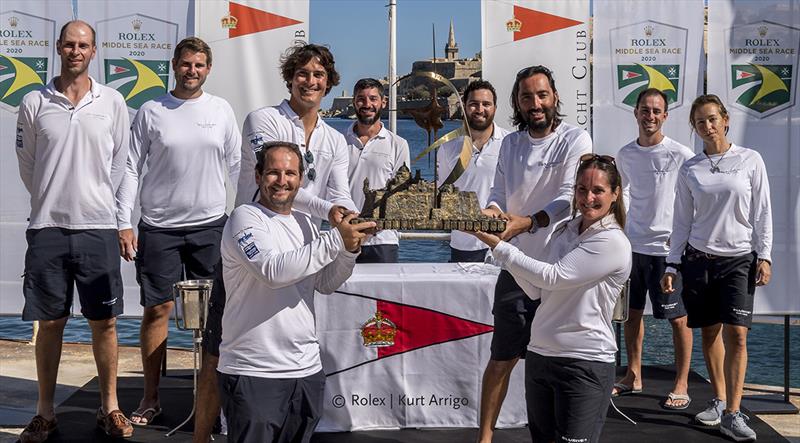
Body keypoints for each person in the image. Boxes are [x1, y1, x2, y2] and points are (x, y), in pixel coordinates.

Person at [194, 43, 354, 442]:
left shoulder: (335, 139)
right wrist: (333, 220)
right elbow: (283, 186)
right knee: (217, 353)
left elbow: (343, 195)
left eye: (318, 75)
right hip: (256, 241)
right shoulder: (262, 120)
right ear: (290, 78)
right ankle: (200, 436)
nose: (310, 81)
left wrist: (353, 224)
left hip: (304, 245)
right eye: (302, 73)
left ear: (329, 83)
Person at [16, 20, 133, 442]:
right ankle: (45, 413)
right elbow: (29, 166)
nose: (76, 51)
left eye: (83, 45)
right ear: (59, 48)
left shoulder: (113, 102)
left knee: (105, 323)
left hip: (97, 227)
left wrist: (105, 208)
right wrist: (54, 197)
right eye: (69, 44)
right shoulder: (34, 101)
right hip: (47, 228)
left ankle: (111, 409)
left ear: (94, 51)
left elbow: (118, 165)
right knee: (51, 324)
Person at [115, 37, 240, 426]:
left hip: (210, 227)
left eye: (200, 65)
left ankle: (211, 403)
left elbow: (237, 166)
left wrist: (247, 220)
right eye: (186, 64)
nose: (192, 71)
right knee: (157, 311)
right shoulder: (151, 110)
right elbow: (131, 167)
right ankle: (150, 398)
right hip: (159, 229)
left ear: (208, 69)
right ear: (174, 64)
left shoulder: (220, 110)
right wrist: (123, 221)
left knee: (213, 317)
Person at [217, 141, 374, 442]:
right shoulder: (244, 218)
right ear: (258, 175)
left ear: (301, 180)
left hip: (305, 370)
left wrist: (349, 251)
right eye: (273, 172)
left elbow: (325, 283)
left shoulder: (306, 223)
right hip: (254, 372)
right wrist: (335, 240)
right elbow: (273, 272)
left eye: (290, 173)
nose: (282, 180)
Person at [473, 154, 631, 443]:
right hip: (541, 357)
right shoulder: (566, 231)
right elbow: (536, 290)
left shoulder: (611, 241)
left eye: (598, 191)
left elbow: (552, 277)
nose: (588, 198)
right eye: (582, 190)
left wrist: (500, 247)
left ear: (615, 194)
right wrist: (503, 251)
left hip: (584, 364)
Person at [476, 66, 592, 443]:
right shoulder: (510, 144)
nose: (536, 104)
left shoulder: (576, 139)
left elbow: (569, 197)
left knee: (557, 363)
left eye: (542, 95)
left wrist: (528, 221)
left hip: (561, 269)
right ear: (518, 103)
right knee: (501, 360)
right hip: (516, 269)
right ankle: (485, 437)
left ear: (555, 96)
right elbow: (497, 193)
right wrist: (491, 214)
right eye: (527, 97)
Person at [661, 95, 772, 442]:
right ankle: (720, 399)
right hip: (698, 261)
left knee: (737, 334)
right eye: (699, 122)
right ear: (694, 128)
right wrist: (672, 263)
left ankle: (733, 414)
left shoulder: (750, 160)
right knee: (709, 333)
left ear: (725, 120)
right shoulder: (690, 168)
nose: (707, 127)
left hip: (739, 260)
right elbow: (681, 221)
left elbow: (762, 212)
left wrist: (764, 255)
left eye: (712, 119)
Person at [613, 88, 695, 409]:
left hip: (667, 252)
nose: (650, 116)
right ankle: (633, 375)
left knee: (678, 319)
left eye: (656, 111)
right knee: (631, 316)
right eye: (645, 110)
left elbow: (692, 202)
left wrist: (682, 244)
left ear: (665, 116)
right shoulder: (625, 154)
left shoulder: (681, 154)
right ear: (635, 113)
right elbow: (623, 197)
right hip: (632, 250)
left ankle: (682, 382)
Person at [437, 80, 510, 263]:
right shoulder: (448, 148)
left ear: (495, 108)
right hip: (463, 244)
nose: (480, 109)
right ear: (464, 107)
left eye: (486, 104)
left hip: (505, 241)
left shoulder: (511, 143)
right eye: (473, 104)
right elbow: (443, 198)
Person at [345, 78, 410, 263]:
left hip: (382, 240)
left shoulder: (398, 145)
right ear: (354, 102)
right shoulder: (338, 142)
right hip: (344, 237)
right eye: (361, 99)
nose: (367, 104)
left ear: (383, 102)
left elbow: (401, 193)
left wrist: (375, 225)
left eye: (373, 99)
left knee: (383, 293)